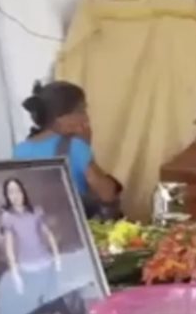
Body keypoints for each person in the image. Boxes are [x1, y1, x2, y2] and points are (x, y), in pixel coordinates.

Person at [12, 81, 121, 219]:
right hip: (73, 222)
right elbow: (107, 193)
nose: (86, 118)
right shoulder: (76, 146)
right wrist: (86, 147)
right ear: (60, 118)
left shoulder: (19, 150)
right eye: (81, 111)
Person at [0, 177, 65, 314]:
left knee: (56, 302)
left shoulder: (36, 211)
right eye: (10, 192)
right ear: (7, 196)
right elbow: (9, 247)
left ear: (23, 192)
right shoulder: (8, 217)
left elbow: (48, 234)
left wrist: (57, 257)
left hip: (46, 263)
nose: (15, 195)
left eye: (17, 190)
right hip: (28, 268)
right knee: (41, 306)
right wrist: (15, 273)